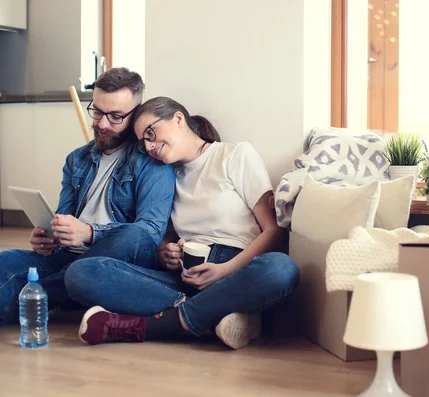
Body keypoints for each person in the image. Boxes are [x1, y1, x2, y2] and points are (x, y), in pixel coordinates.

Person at [64, 96, 300, 350]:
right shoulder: (165, 175)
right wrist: (166, 251)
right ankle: (215, 317)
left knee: (281, 269)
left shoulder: (233, 154)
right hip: (185, 278)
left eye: (151, 133)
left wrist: (225, 270)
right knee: (81, 273)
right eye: (143, 142)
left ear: (178, 118)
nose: (149, 145)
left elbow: (275, 231)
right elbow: (163, 234)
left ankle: (156, 325)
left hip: (237, 270)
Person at [0, 69, 176, 326]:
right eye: (97, 111)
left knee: (133, 236)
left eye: (115, 116)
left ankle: (39, 297)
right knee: (6, 260)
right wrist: (51, 236)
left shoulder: (151, 161)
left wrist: (90, 233)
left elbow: (149, 233)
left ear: (135, 115)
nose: (103, 124)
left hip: (112, 262)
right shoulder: (77, 159)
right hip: (68, 257)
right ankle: (49, 297)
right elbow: (65, 216)